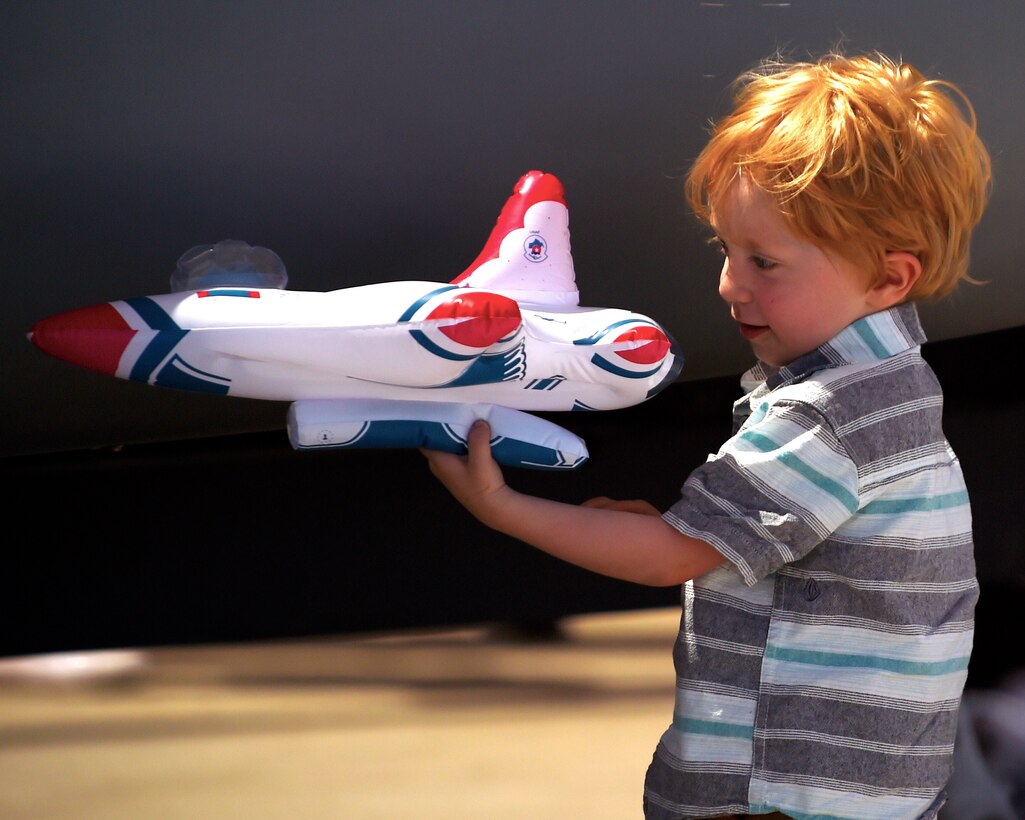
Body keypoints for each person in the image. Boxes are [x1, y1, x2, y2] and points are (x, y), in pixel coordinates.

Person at [422, 52, 991, 819]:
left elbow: (669, 561)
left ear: (888, 279)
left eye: (764, 261)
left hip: (777, 799)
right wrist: (689, 534)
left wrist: (502, 506)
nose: (730, 283)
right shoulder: (895, 392)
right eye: (725, 249)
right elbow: (763, 554)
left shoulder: (829, 410)